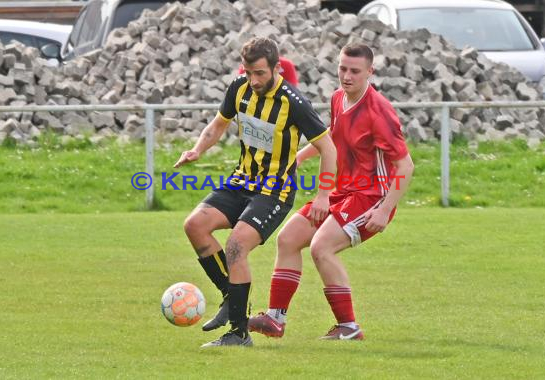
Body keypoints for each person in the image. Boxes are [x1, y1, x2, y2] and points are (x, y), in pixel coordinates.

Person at [174, 37, 337, 347]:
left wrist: (323, 195)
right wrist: (197, 150)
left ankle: (238, 332)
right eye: (248, 72)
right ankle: (230, 298)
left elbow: (329, 149)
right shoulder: (239, 88)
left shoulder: (295, 102)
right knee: (195, 225)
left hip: (274, 191)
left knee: (236, 245)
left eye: (260, 73)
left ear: (277, 69)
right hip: (241, 182)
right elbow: (217, 125)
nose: (254, 80)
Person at [248, 41, 415, 340]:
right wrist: (299, 157)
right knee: (288, 239)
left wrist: (386, 208)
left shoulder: (379, 112)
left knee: (321, 248)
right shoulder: (338, 98)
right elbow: (332, 141)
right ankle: (275, 319)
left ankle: (349, 327)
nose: (347, 76)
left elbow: (406, 166)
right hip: (344, 192)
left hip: (371, 198)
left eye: (355, 71)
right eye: (342, 68)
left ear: (370, 72)